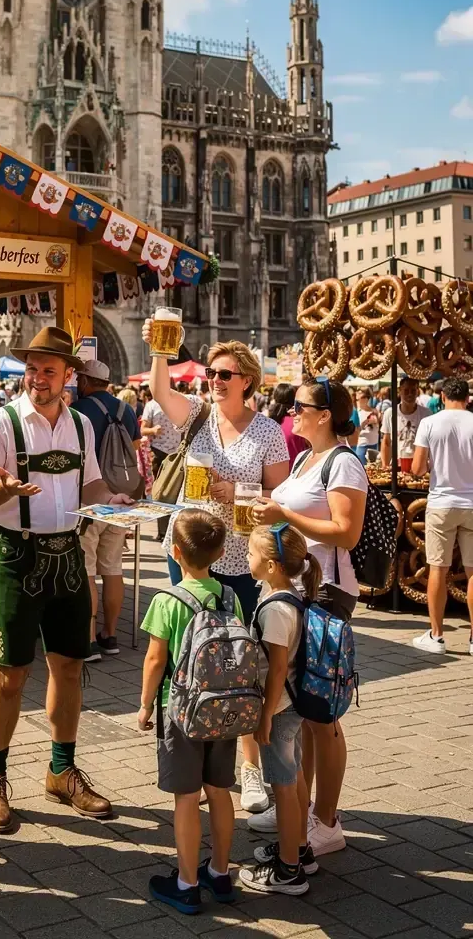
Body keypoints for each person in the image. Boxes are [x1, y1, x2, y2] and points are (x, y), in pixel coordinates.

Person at [0, 326, 134, 834]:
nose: (38, 379)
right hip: (15, 556)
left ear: (69, 375)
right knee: (10, 673)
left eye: (49, 370)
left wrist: (116, 500)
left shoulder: (82, 425)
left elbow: (91, 483)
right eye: (32, 369)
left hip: (68, 555)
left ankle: (61, 771)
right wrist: (1, 492)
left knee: (69, 667)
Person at [142, 325, 289, 816]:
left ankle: (248, 768)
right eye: (211, 373)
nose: (215, 380)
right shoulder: (199, 416)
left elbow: (279, 502)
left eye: (225, 374)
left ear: (248, 379)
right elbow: (161, 392)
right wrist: (161, 346)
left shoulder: (268, 431)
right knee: (186, 649)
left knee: (240, 660)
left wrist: (239, 494)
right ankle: (185, 746)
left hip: (241, 557)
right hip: (189, 548)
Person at [249, 377, 366, 857]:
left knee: (323, 715)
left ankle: (328, 820)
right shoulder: (303, 458)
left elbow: (346, 533)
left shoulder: (344, 464)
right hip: (295, 594)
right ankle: (301, 805)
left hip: (325, 598)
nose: (292, 411)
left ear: (325, 414)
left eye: (301, 406)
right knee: (301, 711)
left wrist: (284, 515)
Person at [138, 510, 240, 915]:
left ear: (175, 552)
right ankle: (219, 872)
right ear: (217, 553)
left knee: (186, 797)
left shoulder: (167, 600)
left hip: (180, 711)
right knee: (219, 791)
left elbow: (153, 660)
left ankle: (186, 882)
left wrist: (145, 704)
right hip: (225, 709)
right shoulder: (230, 596)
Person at [240, 524, 322, 896]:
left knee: (284, 789)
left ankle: (289, 871)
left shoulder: (274, 611)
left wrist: (265, 716)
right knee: (297, 779)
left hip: (279, 710)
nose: (247, 558)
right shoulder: (291, 596)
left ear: (272, 565)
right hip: (293, 706)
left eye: (252, 554)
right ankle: (300, 850)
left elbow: (275, 669)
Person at [73, 359, 141, 660]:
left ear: (86, 381)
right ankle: (110, 635)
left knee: (86, 568)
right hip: (121, 495)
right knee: (113, 568)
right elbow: (135, 448)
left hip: (89, 497)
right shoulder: (126, 409)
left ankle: (88, 640)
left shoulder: (79, 410)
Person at [411, 375, 473, 654]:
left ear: (443, 397)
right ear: (467, 399)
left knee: (438, 568)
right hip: (472, 502)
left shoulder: (430, 423)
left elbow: (417, 468)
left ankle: (436, 636)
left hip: (441, 502)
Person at [380, 377, 430, 471]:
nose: (410, 394)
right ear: (400, 391)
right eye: (406, 391)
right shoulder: (390, 413)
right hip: (396, 465)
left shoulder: (426, 414)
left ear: (417, 391)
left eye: (413, 391)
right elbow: (386, 442)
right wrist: (385, 465)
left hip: (418, 465)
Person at [140, 394, 182, 477]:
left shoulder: (179, 403)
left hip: (177, 453)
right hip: (158, 452)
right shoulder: (151, 405)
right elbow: (142, 430)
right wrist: (153, 430)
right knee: (158, 484)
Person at [268, 384, 310, 463]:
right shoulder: (299, 423)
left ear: (275, 398)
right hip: (297, 471)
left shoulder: (268, 423)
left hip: (274, 471)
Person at [353, 387, 379, 465]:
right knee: (362, 468)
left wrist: (378, 421)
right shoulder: (356, 412)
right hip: (362, 444)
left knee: (374, 470)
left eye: (365, 397)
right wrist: (363, 425)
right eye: (359, 397)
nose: (363, 399)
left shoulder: (374, 411)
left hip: (374, 444)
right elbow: (354, 432)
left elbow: (380, 428)